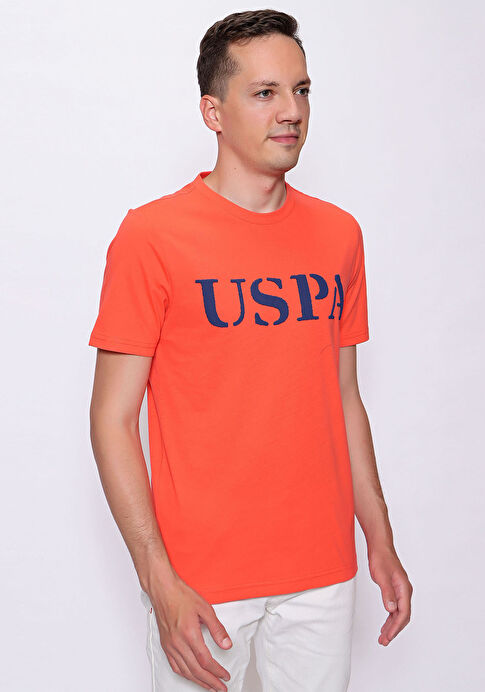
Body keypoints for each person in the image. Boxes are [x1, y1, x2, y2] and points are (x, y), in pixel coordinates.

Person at [88, 8, 412, 692]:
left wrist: (378, 538)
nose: (291, 111)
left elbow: (343, 397)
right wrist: (158, 579)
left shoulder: (339, 235)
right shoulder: (151, 238)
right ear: (213, 111)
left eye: (301, 89)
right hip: (201, 578)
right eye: (264, 92)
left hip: (322, 572)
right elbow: (112, 419)